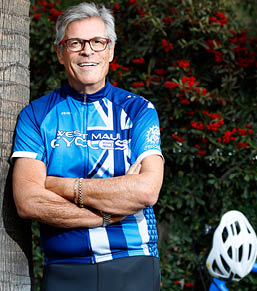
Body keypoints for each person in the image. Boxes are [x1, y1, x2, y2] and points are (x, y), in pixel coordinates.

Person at [11, 2, 164, 291]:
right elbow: (28, 200)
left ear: (111, 51)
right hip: (64, 268)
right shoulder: (36, 115)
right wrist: (108, 215)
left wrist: (58, 185)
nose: (87, 51)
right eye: (76, 43)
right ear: (60, 52)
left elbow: (146, 190)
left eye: (97, 42)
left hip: (132, 262)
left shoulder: (139, 110)